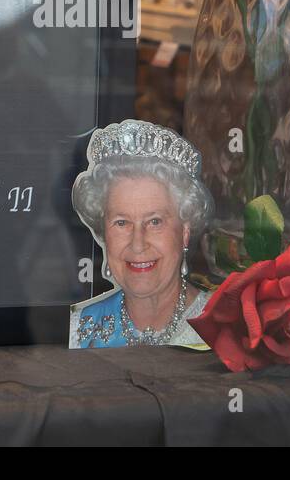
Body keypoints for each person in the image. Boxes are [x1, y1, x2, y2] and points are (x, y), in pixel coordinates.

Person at [69, 120, 213, 348]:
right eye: (122, 222)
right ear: (104, 233)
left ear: (185, 230)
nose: (138, 244)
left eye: (155, 221)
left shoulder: (223, 326)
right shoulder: (79, 329)